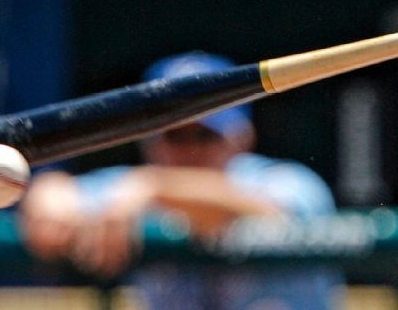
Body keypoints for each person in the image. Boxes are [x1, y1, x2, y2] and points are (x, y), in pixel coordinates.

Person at [20, 52, 338, 310]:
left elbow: (269, 214)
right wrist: (49, 193)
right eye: (175, 135)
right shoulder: (135, 187)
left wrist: (156, 187)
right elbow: (55, 193)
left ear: (242, 138)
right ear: (149, 141)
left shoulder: (290, 181)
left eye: (205, 135)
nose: (190, 150)